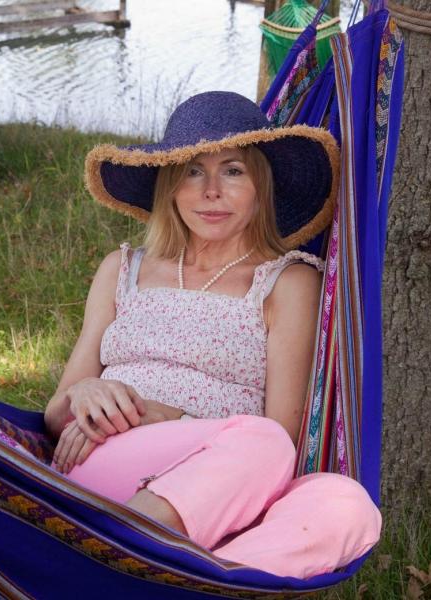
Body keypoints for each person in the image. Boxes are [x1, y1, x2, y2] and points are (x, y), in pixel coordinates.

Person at [42, 91, 380, 579]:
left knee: (347, 505)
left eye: (233, 171)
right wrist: (85, 393)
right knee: (260, 443)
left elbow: (284, 435)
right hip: (109, 460)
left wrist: (163, 415)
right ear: (170, 186)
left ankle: (156, 574)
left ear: (261, 186)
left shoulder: (288, 281)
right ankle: (123, 555)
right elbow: (55, 416)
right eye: (193, 171)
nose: (211, 191)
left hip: (231, 482)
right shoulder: (122, 268)